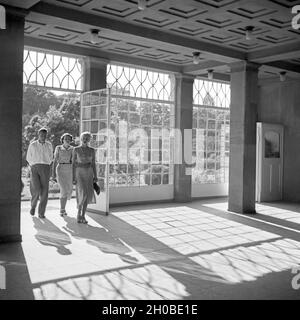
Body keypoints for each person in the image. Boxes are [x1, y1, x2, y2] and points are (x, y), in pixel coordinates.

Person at [26, 128, 53, 218]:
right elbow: (28, 157)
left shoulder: (49, 145)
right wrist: (33, 166)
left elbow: (51, 157)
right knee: (36, 189)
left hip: (45, 167)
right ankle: (33, 206)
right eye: (41, 135)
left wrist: (47, 164)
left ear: (46, 135)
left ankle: (41, 212)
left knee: (45, 191)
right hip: (35, 167)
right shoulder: (33, 145)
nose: (43, 137)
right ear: (38, 135)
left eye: (45, 135)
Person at [72, 132, 97, 224]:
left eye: (87, 138)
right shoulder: (76, 149)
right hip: (79, 173)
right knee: (81, 193)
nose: (85, 139)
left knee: (87, 194)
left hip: (89, 173)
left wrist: (96, 176)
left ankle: (83, 215)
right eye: (84, 137)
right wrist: (73, 177)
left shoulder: (92, 150)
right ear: (81, 138)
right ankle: (78, 214)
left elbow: (94, 163)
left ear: (90, 139)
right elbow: (73, 164)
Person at [52, 133, 74, 217]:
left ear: (71, 140)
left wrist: (75, 175)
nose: (67, 140)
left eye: (69, 139)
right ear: (62, 140)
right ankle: (62, 209)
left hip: (70, 169)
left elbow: (74, 162)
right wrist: (53, 174)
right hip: (60, 169)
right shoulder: (58, 148)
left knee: (69, 190)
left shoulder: (73, 149)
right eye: (65, 139)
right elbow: (54, 161)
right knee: (63, 190)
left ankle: (63, 208)